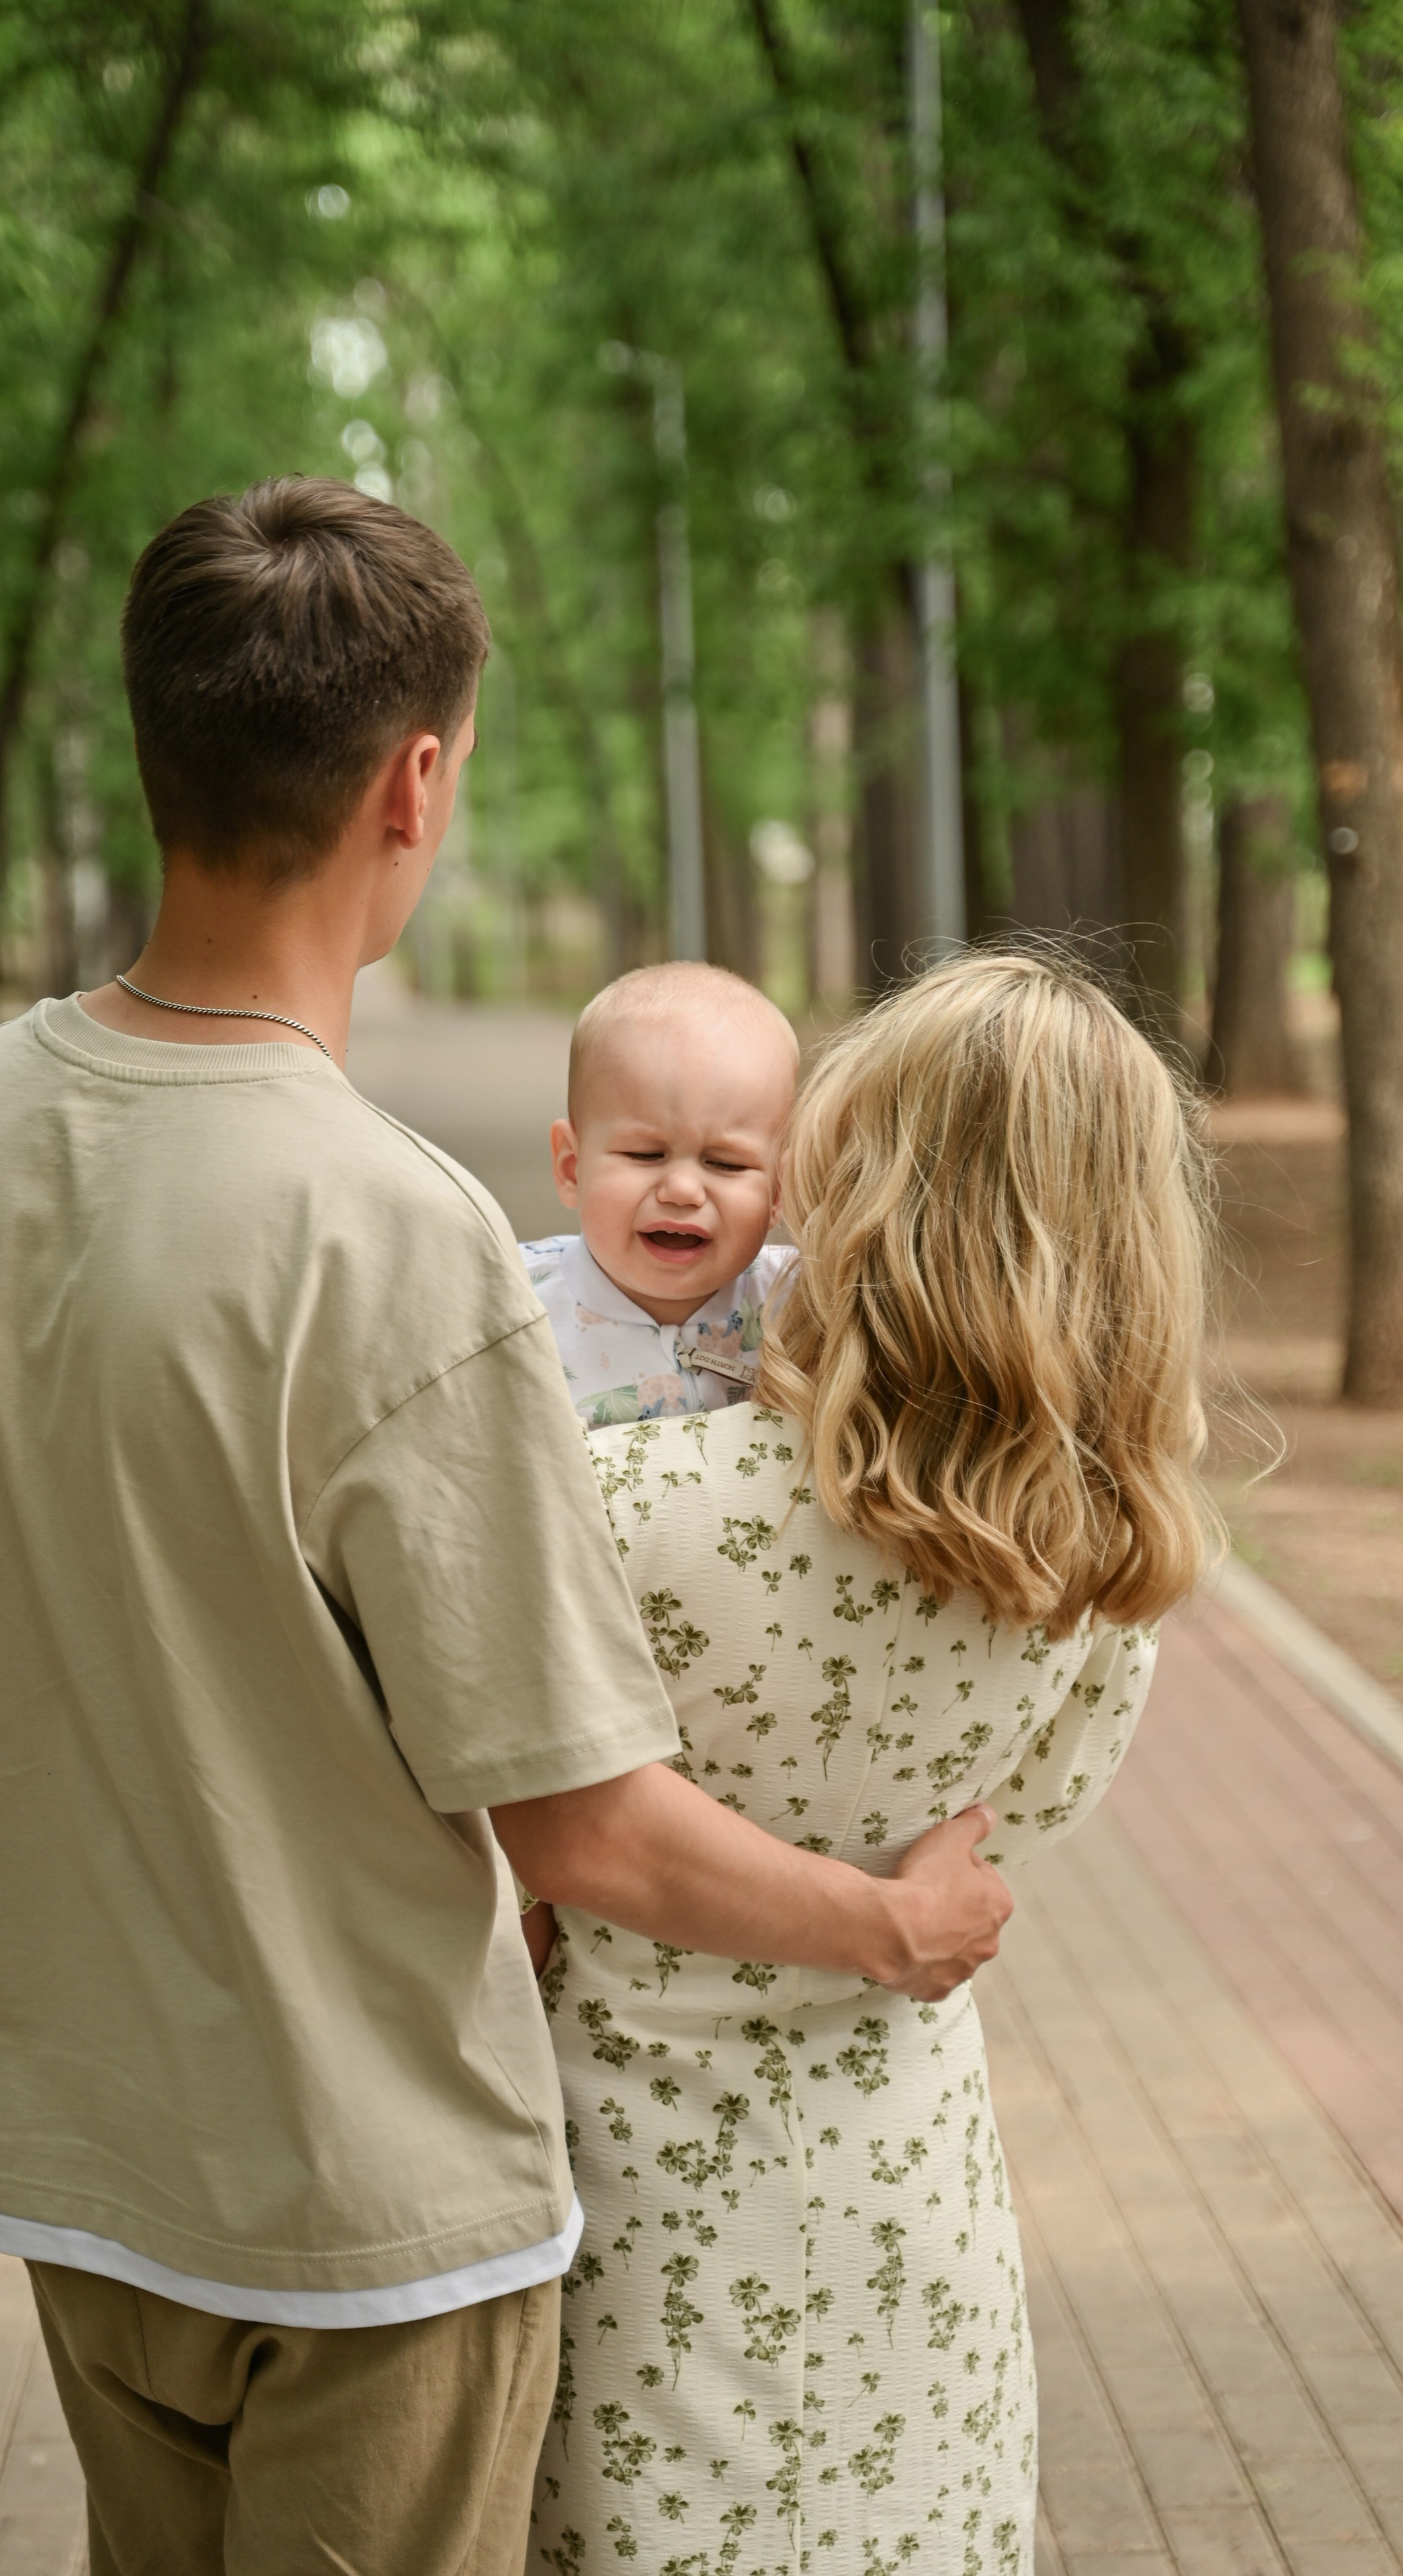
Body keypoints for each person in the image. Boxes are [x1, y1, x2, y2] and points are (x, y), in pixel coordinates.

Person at [0, 478, 1013, 2576]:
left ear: (153, 741)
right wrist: (889, 1928)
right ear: (414, 778)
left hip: (79, 2175)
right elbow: (587, 1829)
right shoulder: (396, 1233)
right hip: (366, 2223)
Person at [529, 951, 1216, 2576]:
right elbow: (1017, 1820)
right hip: (905, 2200)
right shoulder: (1096, 1551)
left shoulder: (619, 1507)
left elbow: (486, 1797)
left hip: (635, 2210)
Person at [521, 964, 798, 1426]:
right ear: (572, 1167)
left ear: (777, 1192)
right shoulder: (513, 1307)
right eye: (646, 1154)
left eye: (726, 1163)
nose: (684, 1190)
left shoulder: (803, 1312)